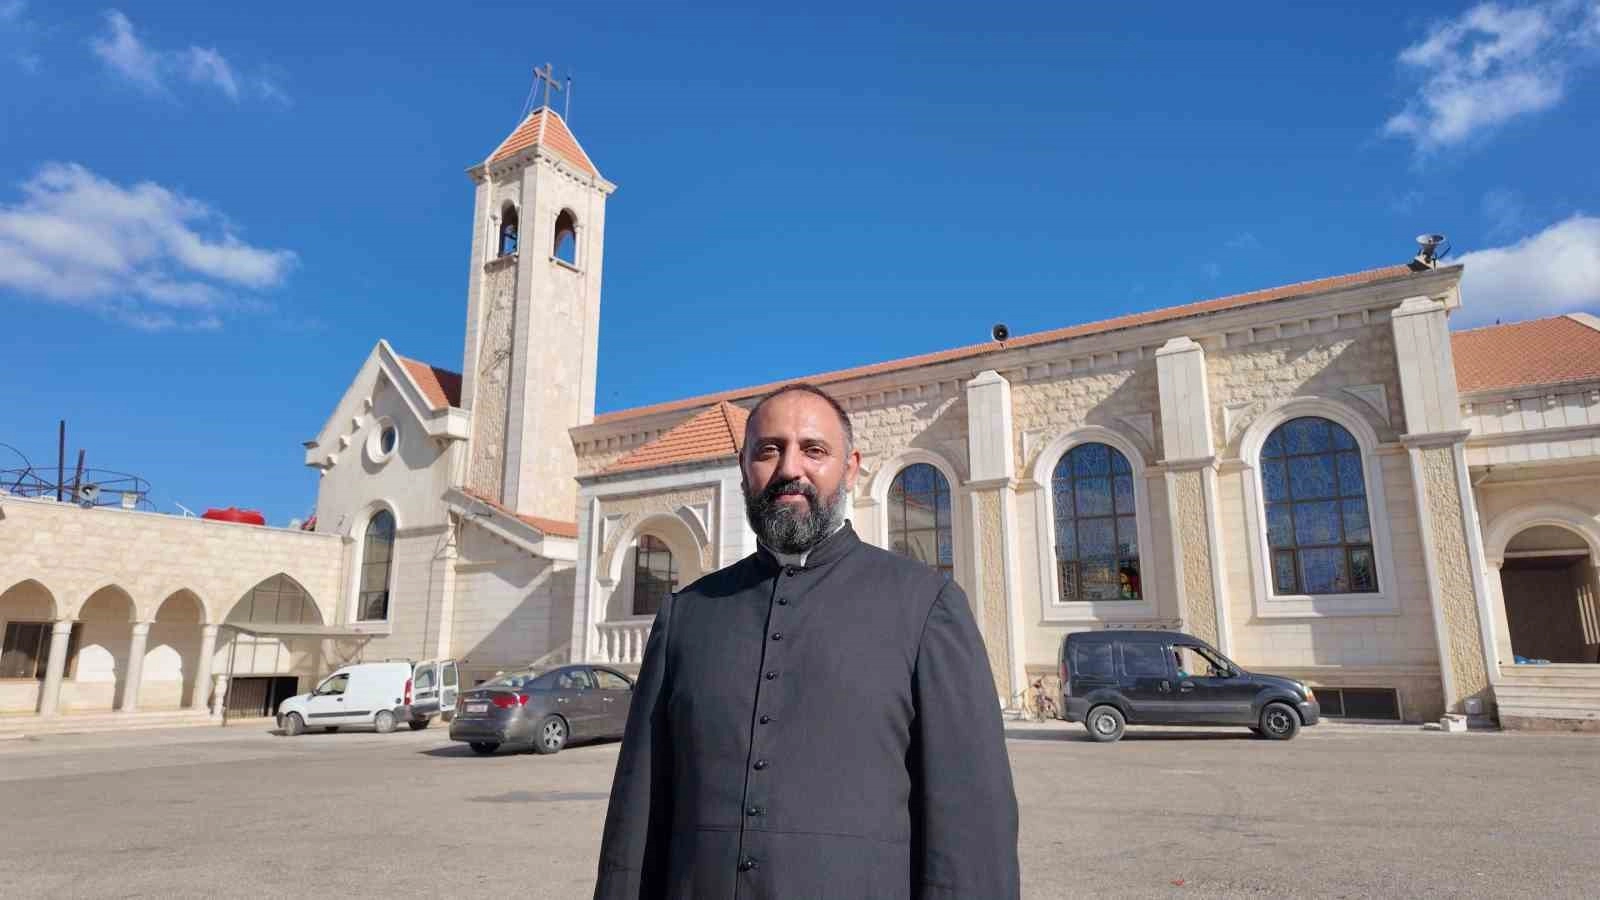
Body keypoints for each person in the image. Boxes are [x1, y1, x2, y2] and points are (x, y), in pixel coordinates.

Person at [594, 383, 1020, 900]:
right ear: (743, 468)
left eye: (813, 450)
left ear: (851, 468)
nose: (789, 468)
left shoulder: (926, 606)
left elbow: (972, 826)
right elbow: (637, 814)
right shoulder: (688, 614)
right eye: (768, 451)